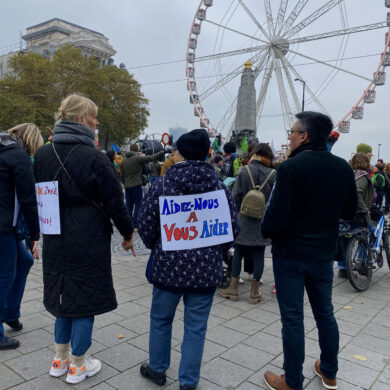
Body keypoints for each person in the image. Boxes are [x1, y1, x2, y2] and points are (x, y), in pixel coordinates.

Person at [34, 94, 135, 384]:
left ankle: (59, 359)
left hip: (55, 235)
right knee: (85, 301)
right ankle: (78, 364)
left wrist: (35, 233)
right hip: (88, 236)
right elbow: (116, 202)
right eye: (94, 117)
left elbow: (37, 196)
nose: (97, 122)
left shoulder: (42, 154)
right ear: (81, 120)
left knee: (62, 298)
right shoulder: (95, 157)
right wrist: (127, 233)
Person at [261, 111, 358, 390]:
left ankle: (292, 381)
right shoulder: (342, 168)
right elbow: (350, 211)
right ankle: (329, 372)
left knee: (292, 318)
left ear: (304, 136)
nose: (288, 138)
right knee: (325, 314)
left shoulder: (291, 168)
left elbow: (275, 217)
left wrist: (268, 231)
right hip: (323, 253)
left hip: (290, 254)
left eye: (291, 133)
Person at [137, 129, 239, 390]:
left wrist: (158, 247)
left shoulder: (162, 186)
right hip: (205, 271)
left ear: (179, 153)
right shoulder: (220, 189)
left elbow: (145, 225)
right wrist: (214, 251)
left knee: (161, 319)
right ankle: (188, 381)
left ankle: (158, 369)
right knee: (196, 327)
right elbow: (232, 230)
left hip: (168, 268)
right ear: (207, 154)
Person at [0, 124, 41, 350]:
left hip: (7, 224)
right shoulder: (18, 156)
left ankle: (10, 312)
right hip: (4, 225)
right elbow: (28, 198)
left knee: (23, 261)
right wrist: (35, 233)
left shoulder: (5, 150)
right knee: (4, 275)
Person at [219, 143, 275, 304]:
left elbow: (235, 195)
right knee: (259, 254)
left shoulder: (245, 171)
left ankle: (233, 289)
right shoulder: (273, 174)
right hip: (262, 220)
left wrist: (235, 215)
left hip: (243, 218)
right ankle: (254, 293)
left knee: (239, 253)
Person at [336, 153, 373, 278]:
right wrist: (364, 209)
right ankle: (363, 264)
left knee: (344, 239)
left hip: (344, 212)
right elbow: (358, 192)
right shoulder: (362, 176)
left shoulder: (350, 174)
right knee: (364, 236)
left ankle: (343, 268)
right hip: (357, 214)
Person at [121, 144, 165, 230]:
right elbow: (151, 157)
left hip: (127, 186)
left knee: (129, 205)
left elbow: (122, 176)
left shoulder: (124, 161)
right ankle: (135, 224)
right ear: (137, 150)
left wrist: (125, 183)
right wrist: (163, 152)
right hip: (136, 185)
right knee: (138, 205)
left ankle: (128, 225)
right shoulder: (137, 158)